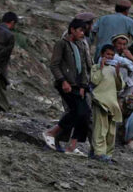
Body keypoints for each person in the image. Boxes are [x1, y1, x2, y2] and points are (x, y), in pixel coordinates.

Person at [43, 16, 93, 155]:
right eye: (80, 30)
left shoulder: (80, 45)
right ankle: (52, 133)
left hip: (78, 85)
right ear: (72, 30)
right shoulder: (62, 44)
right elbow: (54, 65)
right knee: (75, 111)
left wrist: (83, 86)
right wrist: (63, 81)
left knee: (85, 113)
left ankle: (72, 145)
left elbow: (83, 67)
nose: (82, 33)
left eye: (84, 31)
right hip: (66, 84)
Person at [90, 44, 124, 162]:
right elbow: (94, 80)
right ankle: (99, 153)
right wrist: (100, 67)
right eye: (107, 54)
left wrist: (118, 74)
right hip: (100, 100)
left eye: (112, 55)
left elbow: (120, 87)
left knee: (111, 132)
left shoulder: (115, 70)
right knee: (100, 128)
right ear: (102, 54)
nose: (109, 57)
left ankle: (108, 154)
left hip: (112, 104)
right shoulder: (95, 67)